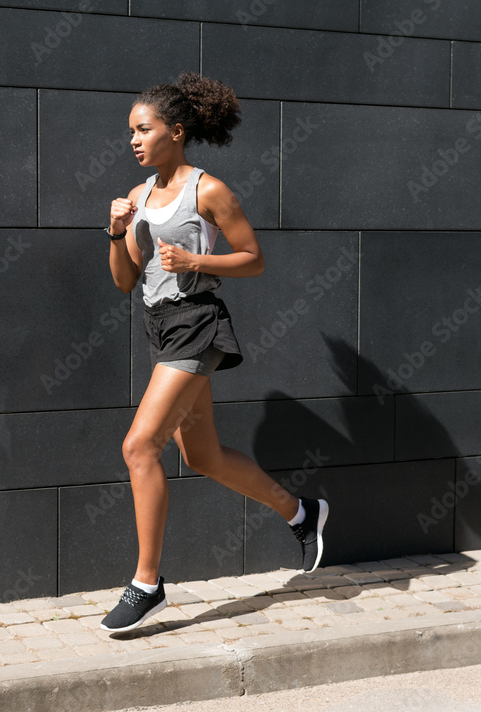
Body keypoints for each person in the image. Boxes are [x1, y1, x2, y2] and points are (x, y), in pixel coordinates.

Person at [99, 72, 329, 633]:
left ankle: (147, 584)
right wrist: (114, 233)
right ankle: (303, 515)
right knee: (201, 458)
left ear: (175, 132)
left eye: (143, 129)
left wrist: (197, 262)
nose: (133, 140)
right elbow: (125, 282)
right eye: (130, 131)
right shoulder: (137, 197)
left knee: (138, 447)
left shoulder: (209, 190)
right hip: (161, 327)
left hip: (197, 326)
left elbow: (253, 257)